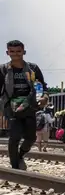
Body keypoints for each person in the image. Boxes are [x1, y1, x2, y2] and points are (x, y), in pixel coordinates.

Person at [1, 40, 48, 169]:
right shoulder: (3, 69)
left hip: (30, 106)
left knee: (31, 137)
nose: (15, 54)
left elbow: (42, 86)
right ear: (7, 52)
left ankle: (20, 155)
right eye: (12, 52)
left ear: (24, 52)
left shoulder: (33, 68)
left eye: (18, 51)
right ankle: (15, 166)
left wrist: (44, 97)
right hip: (12, 108)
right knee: (14, 136)